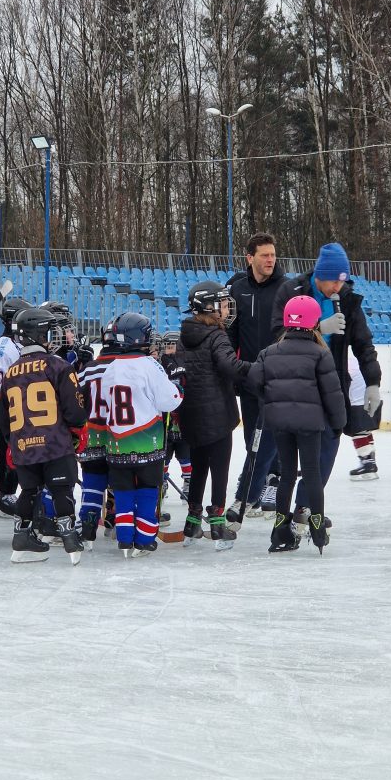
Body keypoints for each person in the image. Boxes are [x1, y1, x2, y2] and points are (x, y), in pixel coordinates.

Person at [271, 242, 381, 512]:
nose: (337, 288)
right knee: (294, 456)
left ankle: (305, 507)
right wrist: (318, 327)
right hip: (297, 385)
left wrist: (373, 383)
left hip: (332, 384)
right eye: (334, 281)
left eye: (342, 282)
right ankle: (289, 511)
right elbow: (276, 334)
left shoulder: (347, 299)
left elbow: (364, 345)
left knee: (328, 450)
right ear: (320, 275)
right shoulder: (291, 291)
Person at [248, 295, 346, 553]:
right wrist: (338, 424)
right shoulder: (320, 354)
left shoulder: (268, 353)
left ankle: (280, 530)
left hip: (280, 424)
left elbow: (254, 381)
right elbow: (332, 394)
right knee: (312, 473)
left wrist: (271, 403)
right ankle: (317, 528)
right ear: (314, 321)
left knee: (287, 474)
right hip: (310, 425)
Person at [0, 306, 88, 565]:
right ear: (38, 334)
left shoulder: (11, 372)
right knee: (61, 489)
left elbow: (4, 417)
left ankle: (21, 538)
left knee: (28, 490)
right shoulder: (59, 366)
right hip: (54, 443)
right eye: (49, 331)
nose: (53, 336)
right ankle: (71, 540)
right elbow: (75, 412)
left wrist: (12, 443)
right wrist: (77, 428)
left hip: (23, 444)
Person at [101, 312, 182, 558]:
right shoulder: (150, 365)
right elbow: (171, 401)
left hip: (116, 444)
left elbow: (106, 404)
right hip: (148, 443)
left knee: (123, 492)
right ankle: (145, 540)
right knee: (148, 489)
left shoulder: (111, 368)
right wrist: (178, 387)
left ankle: (125, 539)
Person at [176, 281, 250, 547]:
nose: (228, 307)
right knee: (219, 469)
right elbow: (230, 366)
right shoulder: (218, 335)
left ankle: (192, 523)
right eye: (224, 302)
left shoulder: (184, 335)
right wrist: (257, 370)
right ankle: (218, 525)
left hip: (192, 414)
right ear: (210, 306)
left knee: (198, 469)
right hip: (217, 415)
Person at [227, 232, 285, 518]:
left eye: (273, 254)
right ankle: (255, 482)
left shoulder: (286, 288)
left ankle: (274, 480)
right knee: (254, 435)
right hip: (249, 376)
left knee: (276, 432)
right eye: (264, 255)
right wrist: (231, 371)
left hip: (279, 377)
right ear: (250, 258)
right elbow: (231, 335)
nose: (270, 259)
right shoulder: (238, 289)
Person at [77, 321, 118, 549]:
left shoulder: (88, 368)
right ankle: (115, 521)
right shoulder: (126, 367)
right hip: (118, 436)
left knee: (92, 483)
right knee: (118, 481)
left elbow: (76, 400)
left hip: (92, 436)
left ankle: (88, 527)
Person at [0, 296, 30, 518]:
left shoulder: (14, 345)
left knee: (18, 449)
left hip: (15, 406)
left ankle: (12, 491)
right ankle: (6, 493)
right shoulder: (5, 347)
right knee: (8, 449)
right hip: (5, 407)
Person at [159, 331, 191, 500]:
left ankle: (188, 482)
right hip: (165, 418)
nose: (168, 348)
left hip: (182, 417)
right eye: (166, 345)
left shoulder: (184, 362)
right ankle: (162, 481)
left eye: (172, 345)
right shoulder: (159, 364)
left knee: (185, 455)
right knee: (165, 454)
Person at [347, 352, 381, 479]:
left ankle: (367, 463)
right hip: (369, 399)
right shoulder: (356, 359)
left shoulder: (345, 362)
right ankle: (370, 462)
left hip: (356, 402)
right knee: (365, 430)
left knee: (358, 431)